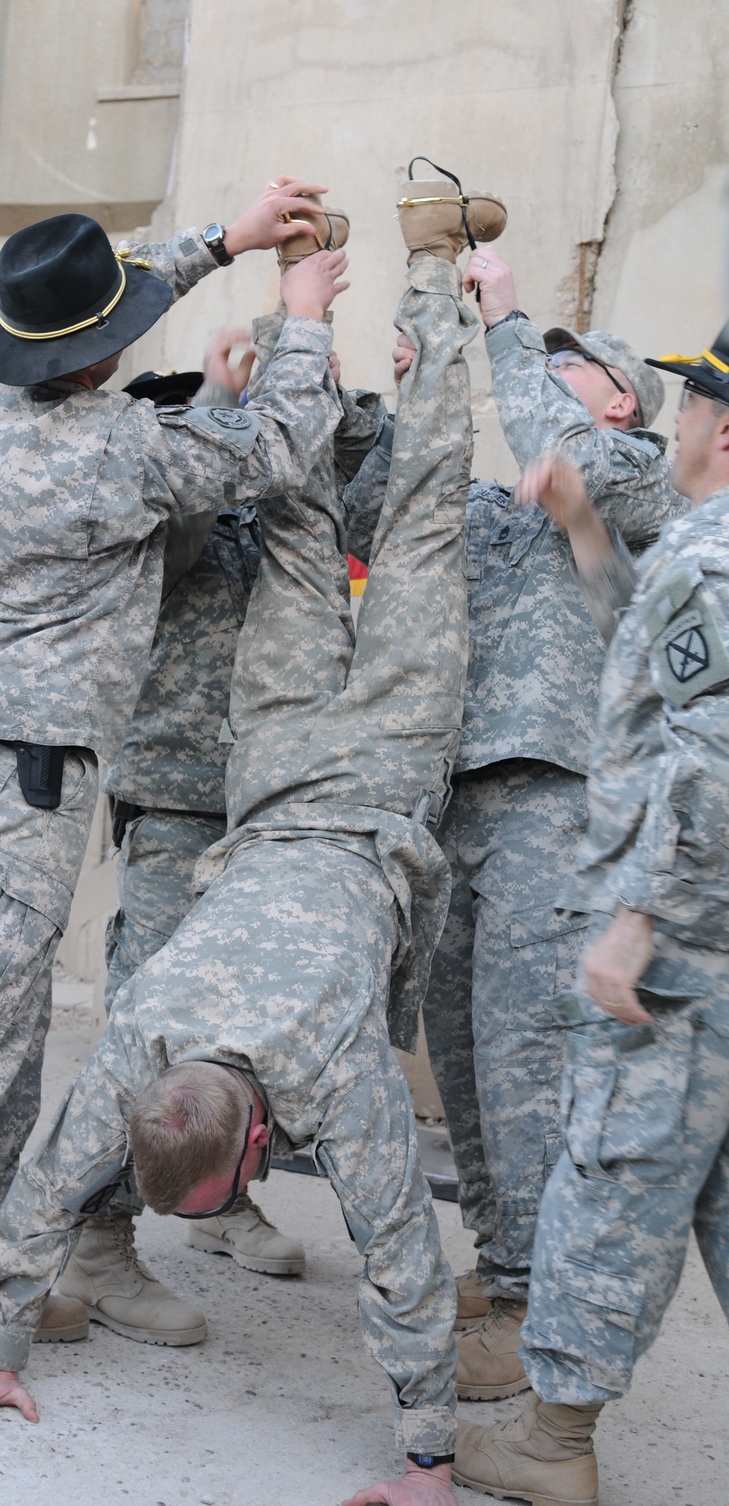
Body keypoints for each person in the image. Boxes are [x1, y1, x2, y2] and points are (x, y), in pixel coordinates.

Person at [0, 170, 507, 1506]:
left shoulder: (323, 1073)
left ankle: (429, 274)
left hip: (366, 770)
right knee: (311, 528)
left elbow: (397, 1241)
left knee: (413, 520)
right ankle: (405, 265)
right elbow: (48, 1198)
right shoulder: (145, 1036)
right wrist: (280, 286)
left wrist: (425, 1461)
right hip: (288, 765)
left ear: (252, 1152)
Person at [0, 179, 352, 1418]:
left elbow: (106, 295)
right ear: (98, 357)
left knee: (9, 1000)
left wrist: (220, 243)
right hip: (26, 766)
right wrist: (300, 313)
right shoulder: (108, 452)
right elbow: (283, 449)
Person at [391, 220, 686, 1400]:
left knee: (525, 1054)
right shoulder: (502, 499)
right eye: (546, 358)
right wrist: (422, 377)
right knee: (461, 1049)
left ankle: (529, 1305)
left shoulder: (635, 478)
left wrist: (506, 321)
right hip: (460, 793)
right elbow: (393, 513)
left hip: (556, 800)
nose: (550, 373)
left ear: (619, 401)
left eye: (575, 363)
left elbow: (553, 439)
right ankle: (505, 1262)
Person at [452, 329, 729, 1506]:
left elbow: (709, 753)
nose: (680, 420)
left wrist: (637, 916)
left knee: (611, 1177)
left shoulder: (712, 557)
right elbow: (657, 663)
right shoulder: (698, 554)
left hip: (684, 943)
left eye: (696, 404)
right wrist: (580, 530)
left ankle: (553, 1442)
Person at [63, 349, 390, 1344]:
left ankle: (220, 1196)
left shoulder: (282, 492)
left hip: (279, 807)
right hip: (178, 796)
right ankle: (96, 1243)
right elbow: (185, 514)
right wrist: (217, 399)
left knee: (248, 1038)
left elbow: (384, 500)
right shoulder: (169, 499)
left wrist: (340, 401)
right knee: (149, 1030)